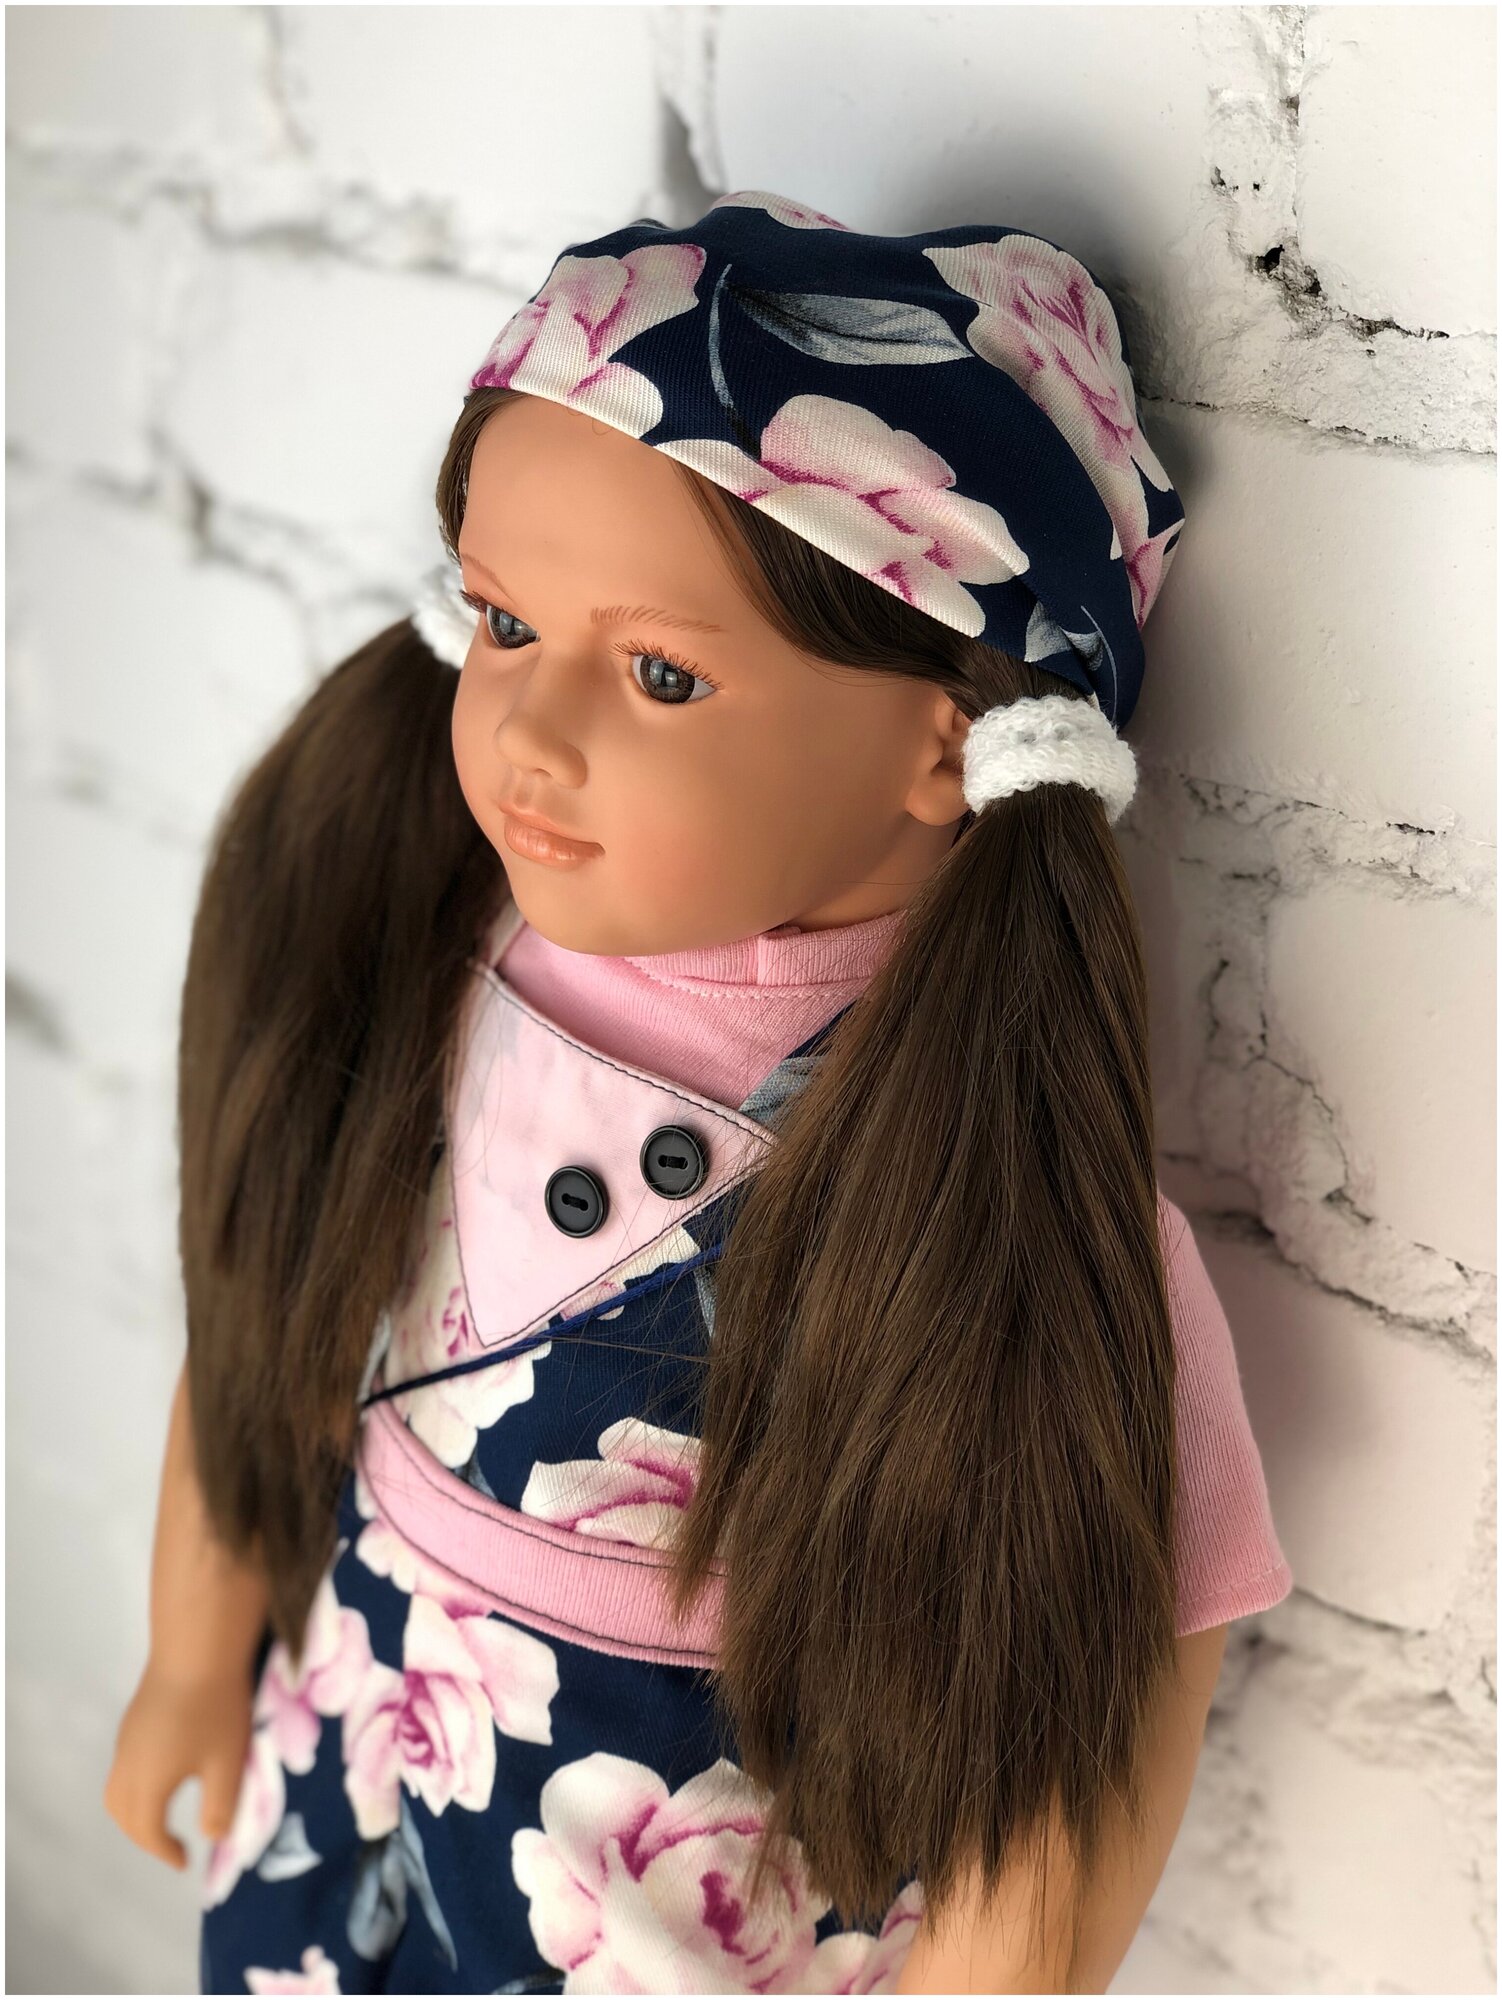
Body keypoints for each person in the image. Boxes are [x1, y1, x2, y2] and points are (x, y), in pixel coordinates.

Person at [105, 189, 1292, 1994]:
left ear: (944, 738)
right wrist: (199, 1654)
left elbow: (1094, 1716)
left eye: (660, 675)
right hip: (342, 1799)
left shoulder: (979, 1185)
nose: (528, 731)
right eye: (503, 624)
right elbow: (265, 1297)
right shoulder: (420, 961)